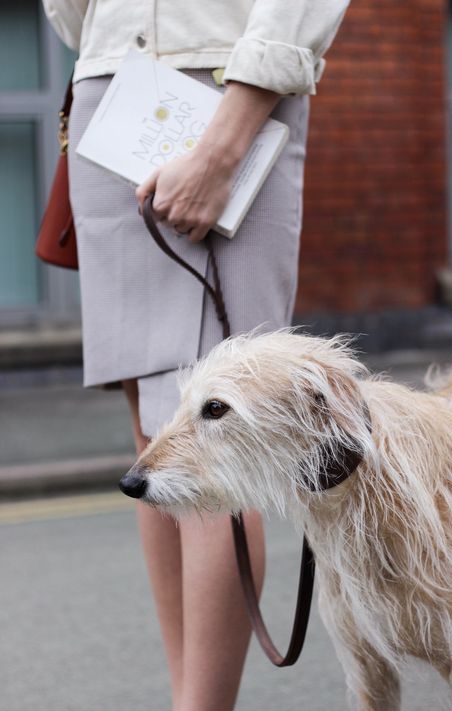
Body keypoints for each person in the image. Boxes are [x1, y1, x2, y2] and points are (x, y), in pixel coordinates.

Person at [42, 2, 351, 709]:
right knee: (156, 436)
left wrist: (220, 149)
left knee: (217, 444)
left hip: (224, 92)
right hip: (112, 90)